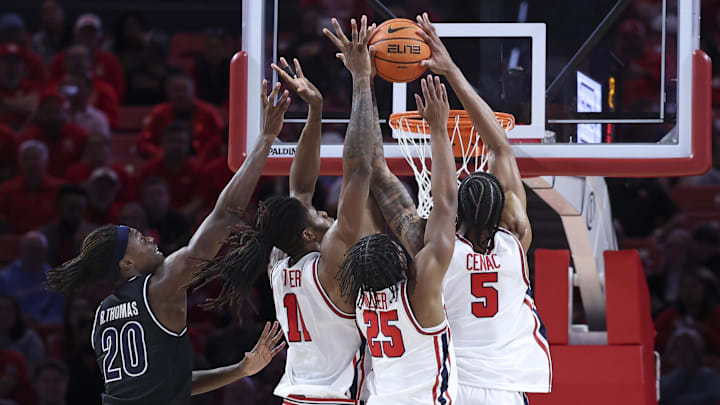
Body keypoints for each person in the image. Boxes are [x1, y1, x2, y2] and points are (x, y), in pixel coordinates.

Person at [45, 78, 291, 403]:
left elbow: (168, 385)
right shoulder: (159, 287)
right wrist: (266, 138)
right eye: (137, 239)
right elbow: (225, 214)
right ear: (126, 263)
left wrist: (240, 370)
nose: (148, 237)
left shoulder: (103, 315)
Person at [191, 17, 384, 404]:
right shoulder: (328, 259)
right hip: (334, 399)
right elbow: (360, 168)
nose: (326, 216)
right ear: (309, 235)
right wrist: (362, 80)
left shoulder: (280, 262)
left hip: (297, 396)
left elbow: (300, 190)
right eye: (319, 218)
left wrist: (315, 111)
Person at [364, 13, 552, 404]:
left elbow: (384, 177)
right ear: (504, 208)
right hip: (506, 388)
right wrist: (451, 71)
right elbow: (500, 147)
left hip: (451, 384)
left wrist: (368, 85)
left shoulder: (435, 247)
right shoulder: (516, 237)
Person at [338, 74, 459, 404]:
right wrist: (438, 126)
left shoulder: (363, 304)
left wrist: (363, 79)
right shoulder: (421, 290)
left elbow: (371, 169)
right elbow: (446, 201)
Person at [136, 73, 223, 161]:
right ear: (168, 92)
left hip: (203, 163)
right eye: (177, 90)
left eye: (184, 89)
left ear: (193, 91)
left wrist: (204, 155)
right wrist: (159, 154)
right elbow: (143, 142)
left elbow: (220, 138)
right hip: (165, 162)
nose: (181, 94)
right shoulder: (159, 113)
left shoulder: (207, 113)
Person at [49, 14, 125, 100]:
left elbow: (118, 93)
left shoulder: (111, 61)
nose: (87, 36)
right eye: (83, 32)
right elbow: (51, 87)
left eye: (92, 33)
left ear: (100, 36)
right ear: (76, 35)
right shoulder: (60, 59)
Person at [138, 123, 205, 217]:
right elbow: (140, 199)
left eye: (180, 142)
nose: (176, 146)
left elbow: (199, 200)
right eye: (171, 141)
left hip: (186, 220)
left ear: (188, 145)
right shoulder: (148, 170)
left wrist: (176, 216)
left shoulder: (198, 170)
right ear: (162, 143)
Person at [0, 232, 65, 324]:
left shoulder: (56, 280)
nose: (34, 254)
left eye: (38, 250)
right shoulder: (3, 278)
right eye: (30, 249)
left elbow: (57, 313)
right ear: (22, 250)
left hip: (44, 327)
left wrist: (41, 322)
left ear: (45, 252)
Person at [19, 91, 88, 178]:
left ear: (64, 113)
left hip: (70, 186)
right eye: (47, 111)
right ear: (39, 113)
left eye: (56, 111)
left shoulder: (78, 134)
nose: (52, 116)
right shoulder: (28, 137)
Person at [0, 140, 64, 234]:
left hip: (52, 244)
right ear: (19, 162)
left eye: (35, 158)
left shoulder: (60, 189)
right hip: (16, 243)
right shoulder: (6, 190)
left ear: (46, 161)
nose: (30, 163)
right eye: (26, 158)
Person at [65, 132, 135, 202]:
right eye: (91, 146)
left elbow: (129, 201)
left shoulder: (121, 173)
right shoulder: (74, 172)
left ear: (108, 148)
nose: (95, 149)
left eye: (99, 145)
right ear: (85, 149)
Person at [41, 185, 96, 268]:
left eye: (80, 209)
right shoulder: (44, 237)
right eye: (71, 209)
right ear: (59, 208)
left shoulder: (95, 236)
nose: (76, 215)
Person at [124, 31, 183, 106]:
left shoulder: (177, 74)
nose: (157, 53)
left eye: (160, 49)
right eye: (153, 48)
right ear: (145, 49)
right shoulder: (131, 75)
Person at [140, 177, 191, 255]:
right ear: (143, 198)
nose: (155, 199)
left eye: (159, 194)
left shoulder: (179, 220)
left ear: (168, 196)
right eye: (150, 195)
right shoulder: (138, 219)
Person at [0, 294, 46, 370]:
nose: (3, 314)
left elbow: (36, 369)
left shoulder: (30, 339)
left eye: (8, 310)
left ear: (17, 314)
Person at [0, 42, 39, 131]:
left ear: (23, 67)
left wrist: (2, 102)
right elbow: (25, 108)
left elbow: (30, 107)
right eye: (7, 62)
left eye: (16, 63)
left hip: (22, 133)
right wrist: (18, 105)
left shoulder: (30, 87)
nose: (11, 67)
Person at [31, 0, 71, 66]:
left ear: (62, 13)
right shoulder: (36, 41)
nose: (50, 15)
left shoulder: (74, 37)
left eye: (53, 10)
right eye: (46, 12)